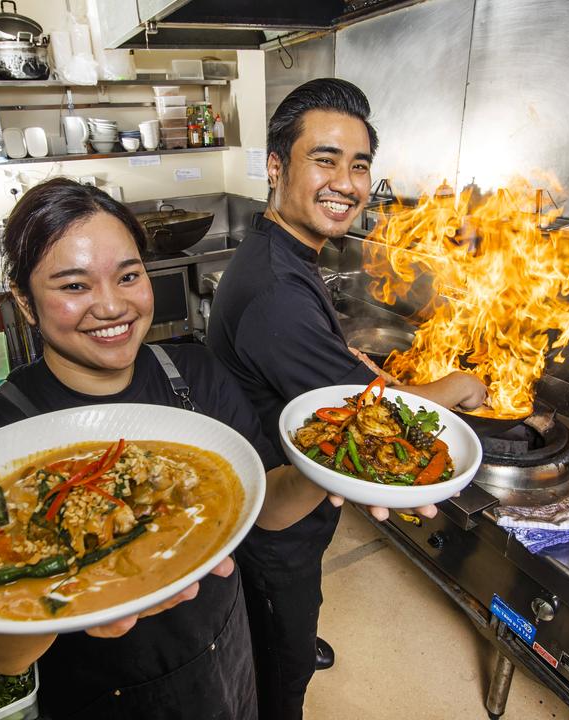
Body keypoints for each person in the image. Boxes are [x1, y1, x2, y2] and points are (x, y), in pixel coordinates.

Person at [0, 177, 281, 719]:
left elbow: (268, 504)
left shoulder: (193, 371)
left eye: (128, 275)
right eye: (74, 286)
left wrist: (327, 471)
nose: (111, 305)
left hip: (226, 656)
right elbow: (0, 655)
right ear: (24, 303)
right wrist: (71, 598)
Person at [206, 78, 488, 719]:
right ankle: (290, 657)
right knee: (283, 671)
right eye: (324, 159)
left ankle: (293, 637)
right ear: (277, 167)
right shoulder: (278, 290)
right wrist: (456, 388)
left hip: (286, 494)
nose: (347, 181)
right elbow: (369, 409)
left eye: (358, 164)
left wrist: (352, 361)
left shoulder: (281, 250)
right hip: (274, 518)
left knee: (287, 626)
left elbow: (340, 376)